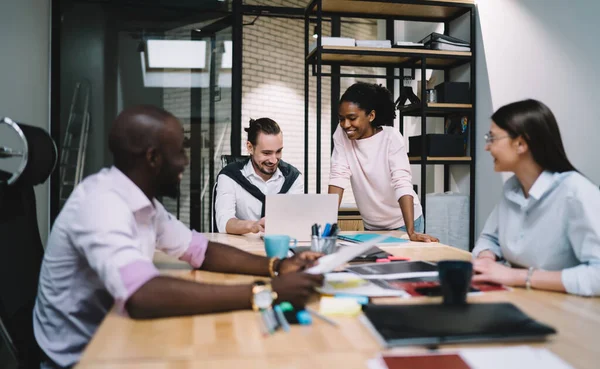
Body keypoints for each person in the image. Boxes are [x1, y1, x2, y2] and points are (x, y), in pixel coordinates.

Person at [33, 106, 323, 369]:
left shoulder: (144, 204)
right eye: (179, 152)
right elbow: (142, 295)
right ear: (153, 158)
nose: (185, 162)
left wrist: (276, 266)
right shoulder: (101, 204)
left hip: (114, 334)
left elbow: (202, 250)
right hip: (81, 356)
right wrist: (266, 293)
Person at [472, 99, 600, 296]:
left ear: (521, 143)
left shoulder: (575, 192)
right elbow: (490, 239)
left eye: (492, 138)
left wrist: (516, 276)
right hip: (522, 299)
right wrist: (487, 260)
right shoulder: (512, 188)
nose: (486, 148)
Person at [328, 82, 439, 242]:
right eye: (341, 119)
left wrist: (411, 232)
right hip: (372, 225)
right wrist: (327, 228)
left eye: (352, 118)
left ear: (371, 116)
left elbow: (402, 182)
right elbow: (338, 176)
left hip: (403, 222)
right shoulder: (341, 136)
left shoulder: (391, 138)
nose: (345, 125)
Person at [215, 118, 303, 235]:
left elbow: (297, 221)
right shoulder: (229, 176)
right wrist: (252, 226)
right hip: (241, 249)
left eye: (278, 151)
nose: (273, 160)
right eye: (266, 153)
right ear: (250, 147)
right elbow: (224, 222)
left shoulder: (293, 178)